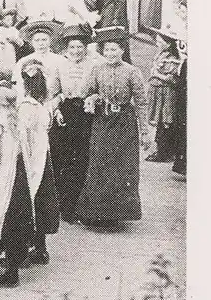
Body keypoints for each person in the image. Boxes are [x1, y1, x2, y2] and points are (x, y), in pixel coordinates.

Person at [0, 82, 45, 288]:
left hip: (2, 180)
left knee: (3, 221)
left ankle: (10, 274)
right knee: (11, 221)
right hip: (19, 179)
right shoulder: (19, 122)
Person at [77, 26, 149, 227]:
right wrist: (94, 96)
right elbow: (84, 92)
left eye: (114, 50)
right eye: (106, 50)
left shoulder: (132, 71)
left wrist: (145, 132)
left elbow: (141, 102)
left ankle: (117, 214)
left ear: (122, 51)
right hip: (102, 120)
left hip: (124, 122)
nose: (110, 54)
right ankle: (96, 213)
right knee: (99, 163)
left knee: (122, 166)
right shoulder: (97, 69)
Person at [49, 25, 99, 223]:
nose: (76, 51)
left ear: (85, 47)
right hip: (66, 113)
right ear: (66, 49)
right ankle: (63, 205)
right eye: (72, 48)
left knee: (82, 159)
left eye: (80, 47)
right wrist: (57, 110)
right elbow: (52, 93)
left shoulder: (95, 64)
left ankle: (77, 205)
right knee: (62, 158)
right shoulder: (59, 65)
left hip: (87, 113)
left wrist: (94, 97)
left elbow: (98, 89)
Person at [17, 60, 60, 267]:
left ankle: (25, 249)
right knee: (42, 201)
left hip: (32, 158)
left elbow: (23, 137)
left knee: (29, 201)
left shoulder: (27, 106)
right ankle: (40, 248)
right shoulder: (44, 105)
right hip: (44, 157)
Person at [146, 34, 181, 163]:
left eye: (160, 41)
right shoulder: (161, 55)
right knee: (160, 121)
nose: (157, 42)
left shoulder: (172, 59)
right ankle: (161, 150)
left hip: (166, 94)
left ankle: (164, 152)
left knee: (165, 120)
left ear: (168, 44)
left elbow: (173, 79)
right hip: (158, 93)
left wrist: (157, 75)